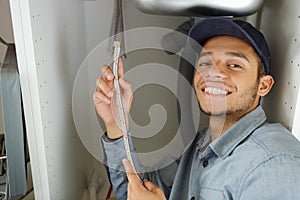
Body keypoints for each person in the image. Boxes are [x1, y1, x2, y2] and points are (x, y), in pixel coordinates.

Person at [93, 18, 300, 200]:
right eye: (206, 63)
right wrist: (115, 124)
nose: (214, 73)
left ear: (263, 85)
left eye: (234, 65)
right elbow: (135, 191)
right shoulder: (202, 145)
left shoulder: (273, 165)